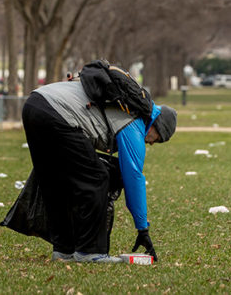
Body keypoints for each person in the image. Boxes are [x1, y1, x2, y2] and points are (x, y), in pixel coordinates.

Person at [18, 71, 177, 263]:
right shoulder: (134, 122)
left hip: (35, 104)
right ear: (155, 126)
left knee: (56, 180)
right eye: (157, 139)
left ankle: (63, 250)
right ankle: (89, 251)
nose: (151, 143)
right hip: (57, 113)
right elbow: (134, 177)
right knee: (98, 178)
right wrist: (142, 229)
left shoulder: (127, 106)